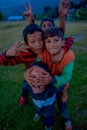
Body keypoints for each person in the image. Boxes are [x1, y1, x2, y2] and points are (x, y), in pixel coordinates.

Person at [19, 0, 73, 106]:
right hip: (36, 72)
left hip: (53, 77)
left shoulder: (54, 44)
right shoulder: (40, 42)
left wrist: (62, 16)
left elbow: (62, 37)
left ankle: (52, 105)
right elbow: (35, 34)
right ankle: (24, 97)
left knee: (52, 93)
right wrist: (31, 22)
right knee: (26, 85)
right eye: (43, 26)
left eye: (49, 25)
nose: (47, 27)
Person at [24, 26, 75, 130]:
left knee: (62, 103)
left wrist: (52, 80)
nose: (52, 45)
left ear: (63, 42)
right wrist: (26, 73)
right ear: (45, 43)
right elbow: (36, 65)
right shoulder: (43, 52)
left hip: (59, 83)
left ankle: (67, 120)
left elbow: (67, 77)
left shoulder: (69, 56)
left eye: (56, 40)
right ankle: (39, 110)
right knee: (30, 87)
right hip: (45, 82)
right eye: (48, 41)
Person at [23, 61, 60, 130]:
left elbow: (61, 86)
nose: (36, 81)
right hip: (36, 104)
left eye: (41, 78)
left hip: (48, 107)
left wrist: (52, 80)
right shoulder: (27, 85)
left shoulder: (51, 88)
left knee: (48, 117)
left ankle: (48, 126)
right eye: (32, 77)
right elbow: (24, 88)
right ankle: (38, 113)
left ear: (47, 80)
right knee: (37, 109)